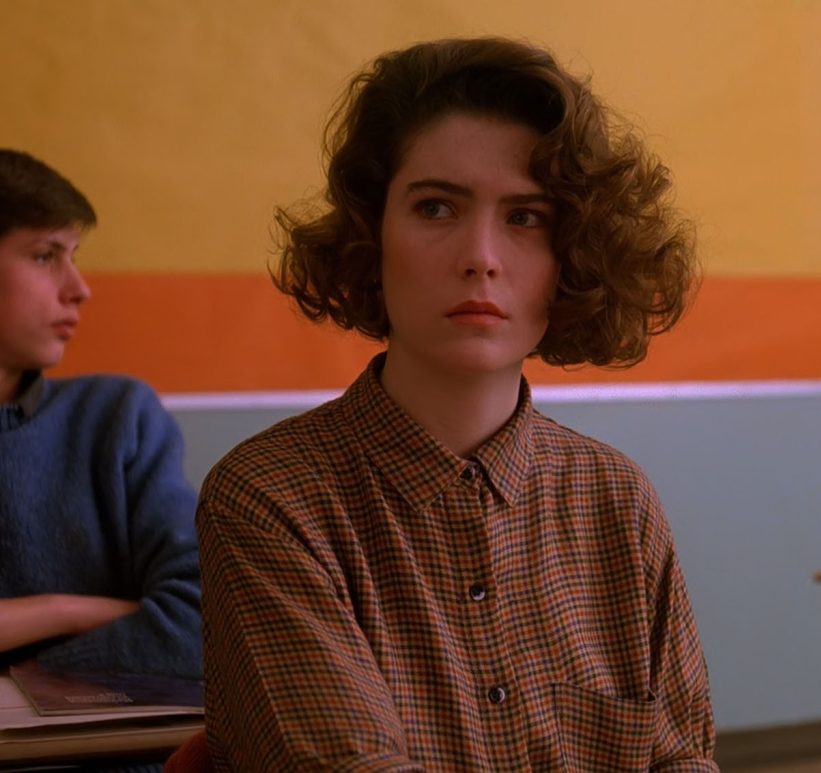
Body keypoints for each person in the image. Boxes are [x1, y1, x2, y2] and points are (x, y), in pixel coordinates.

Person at [196, 36, 717, 771]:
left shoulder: (617, 499)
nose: (481, 254)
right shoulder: (271, 499)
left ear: (573, 256)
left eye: (527, 216)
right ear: (371, 235)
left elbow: (683, 759)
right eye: (436, 206)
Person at [0, 149, 202, 683]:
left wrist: (32, 670)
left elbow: (207, 623)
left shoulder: (117, 420)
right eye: (45, 255)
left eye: (75, 255)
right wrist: (76, 611)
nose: (80, 288)